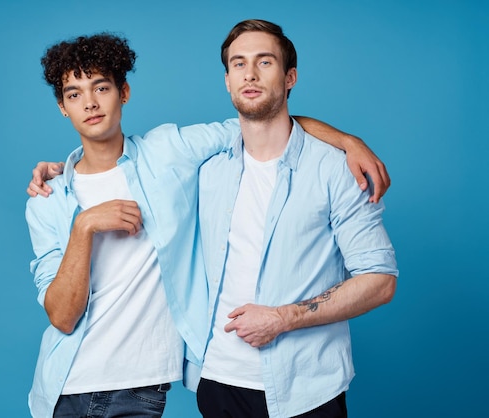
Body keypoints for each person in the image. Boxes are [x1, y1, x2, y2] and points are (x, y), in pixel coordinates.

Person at [25, 31, 390, 418]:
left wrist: (349, 142)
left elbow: (262, 118)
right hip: (69, 385)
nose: (90, 103)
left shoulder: (169, 152)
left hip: (145, 389)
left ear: (124, 92)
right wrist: (84, 226)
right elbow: (62, 317)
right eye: (74, 94)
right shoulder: (49, 200)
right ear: (63, 107)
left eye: (101, 87)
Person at [194, 19, 398, 417]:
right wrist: (67, 169)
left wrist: (281, 318)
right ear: (227, 80)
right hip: (218, 382)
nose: (250, 74)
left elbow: (380, 280)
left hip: (307, 388)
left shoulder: (336, 169)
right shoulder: (205, 168)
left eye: (264, 62)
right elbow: (129, 164)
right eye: (238, 64)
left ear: (290, 77)